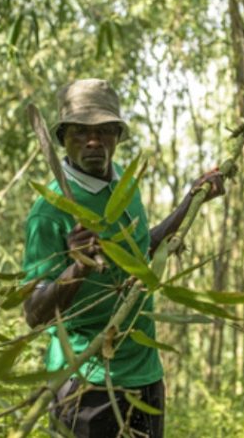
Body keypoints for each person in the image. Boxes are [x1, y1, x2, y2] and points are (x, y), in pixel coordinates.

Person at [22, 78, 224, 437]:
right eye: (81, 132)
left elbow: (141, 251)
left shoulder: (125, 187)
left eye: (104, 131)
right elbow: (34, 313)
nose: (94, 141)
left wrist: (191, 200)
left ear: (117, 135)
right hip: (85, 382)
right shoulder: (48, 213)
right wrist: (79, 266)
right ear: (63, 138)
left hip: (145, 376)